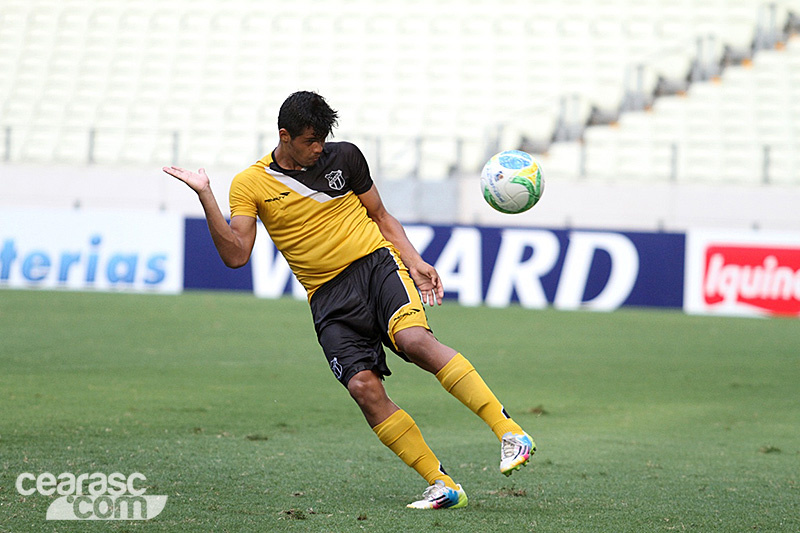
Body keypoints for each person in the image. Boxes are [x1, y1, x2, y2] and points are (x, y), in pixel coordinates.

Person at [163, 91, 535, 510]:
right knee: (363, 387)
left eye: (323, 139)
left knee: (415, 342)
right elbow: (235, 254)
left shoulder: (346, 158)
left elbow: (381, 216)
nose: (319, 148)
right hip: (327, 298)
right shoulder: (250, 184)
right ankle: (441, 483)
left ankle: (509, 432)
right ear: (284, 136)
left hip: (376, 267)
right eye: (310, 141)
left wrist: (413, 259)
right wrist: (205, 196)